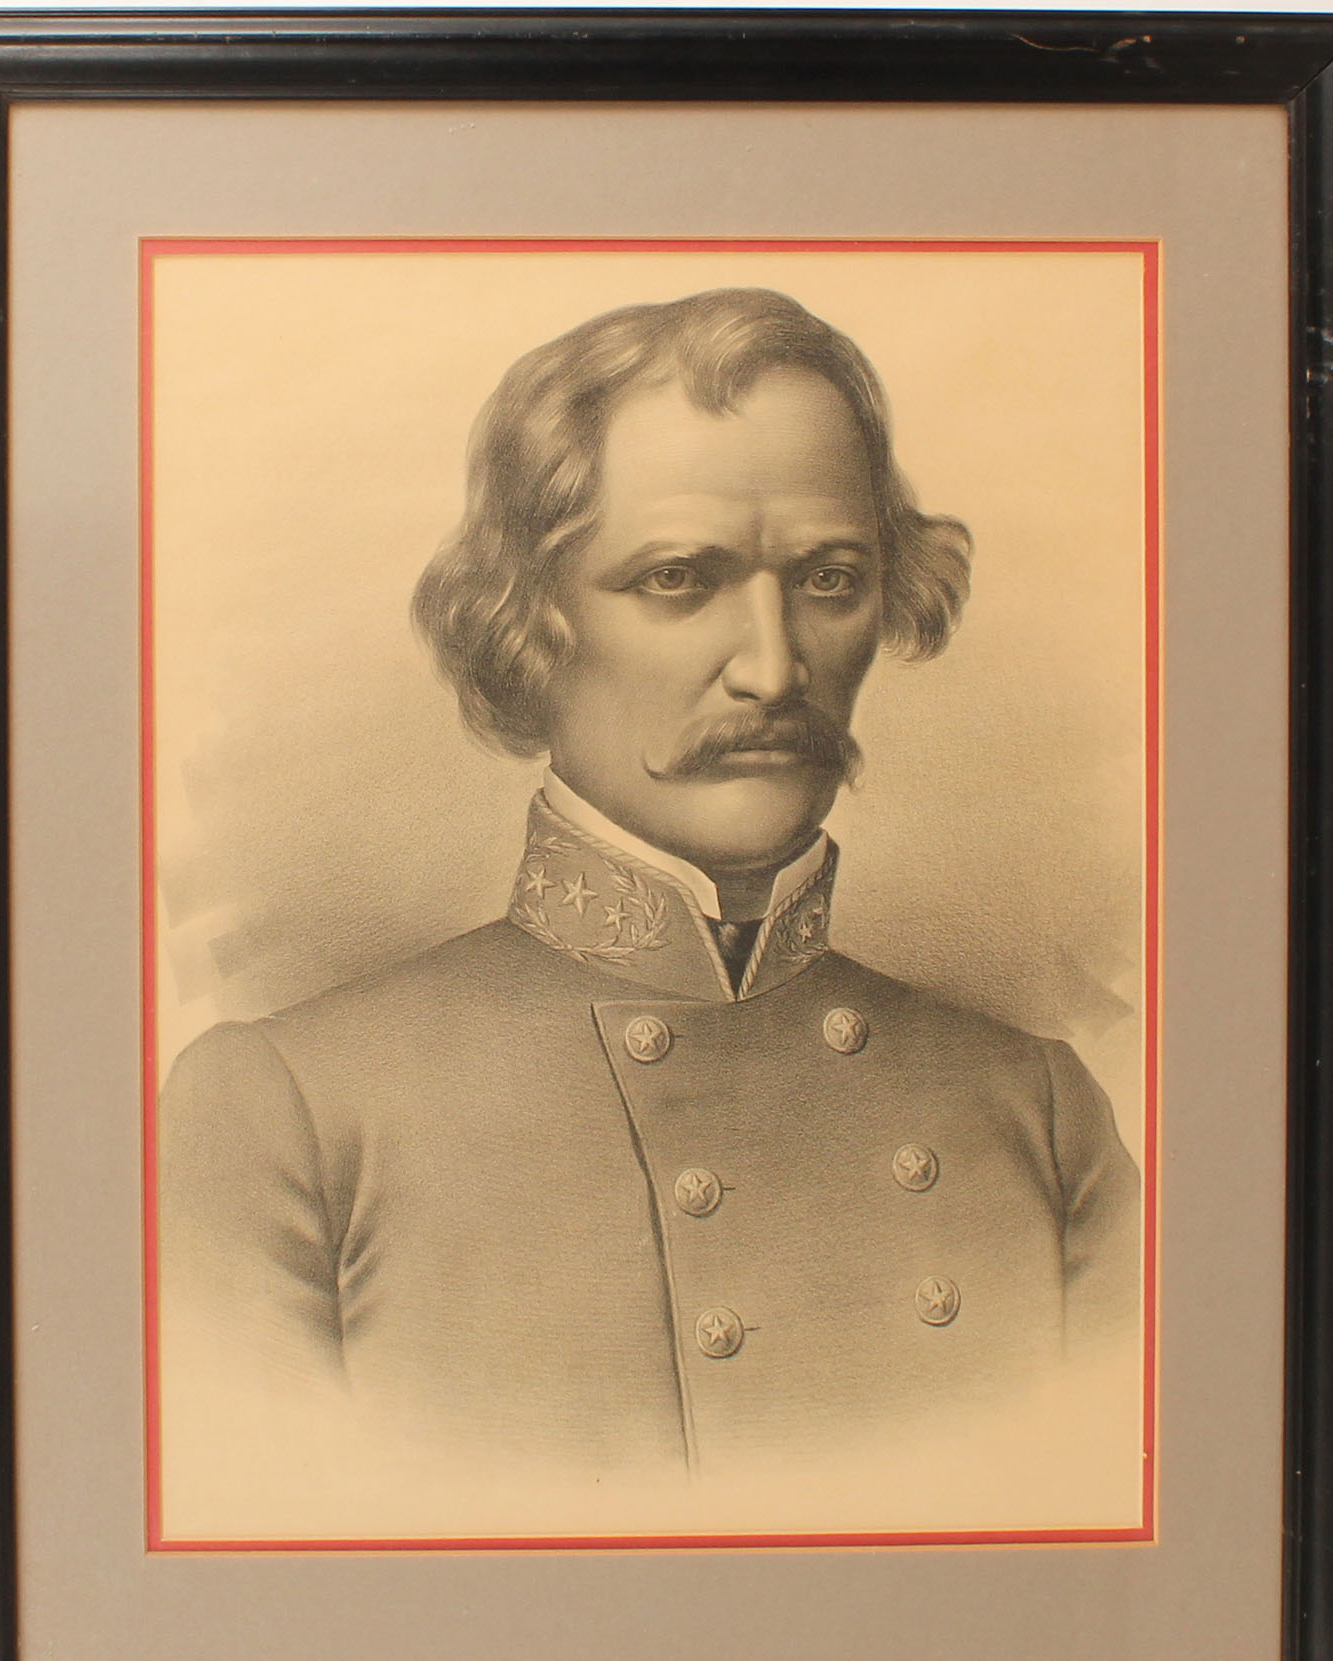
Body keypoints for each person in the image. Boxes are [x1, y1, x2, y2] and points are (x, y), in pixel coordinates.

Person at [159, 287, 1140, 1484]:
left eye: (831, 580)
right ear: (528, 623)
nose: (773, 669)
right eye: (679, 578)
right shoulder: (291, 1117)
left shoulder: (1038, 1112)